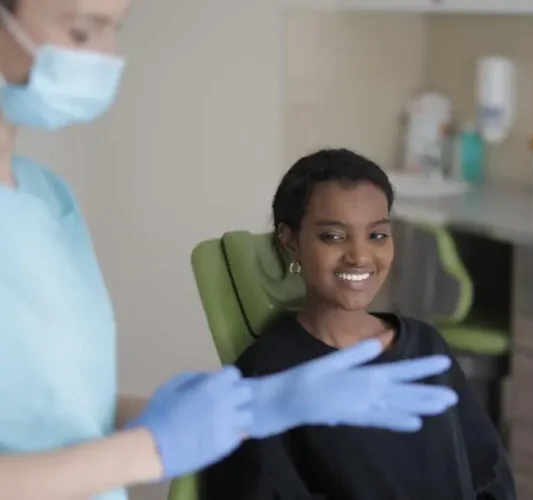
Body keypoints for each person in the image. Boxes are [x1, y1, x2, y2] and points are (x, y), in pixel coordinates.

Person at [0, 1, 460, 499]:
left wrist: (247, 411)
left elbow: (49, 414)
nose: (107, 58)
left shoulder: (45, 198)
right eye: (82, 33)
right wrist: (153, 449)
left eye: (115, 31)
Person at [202, 149, 517, 500]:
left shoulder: (425, 347)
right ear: (289, 240)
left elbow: (490, 474)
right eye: (333, 236)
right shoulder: (268, 375)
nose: (361, 256)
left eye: (377, 235)